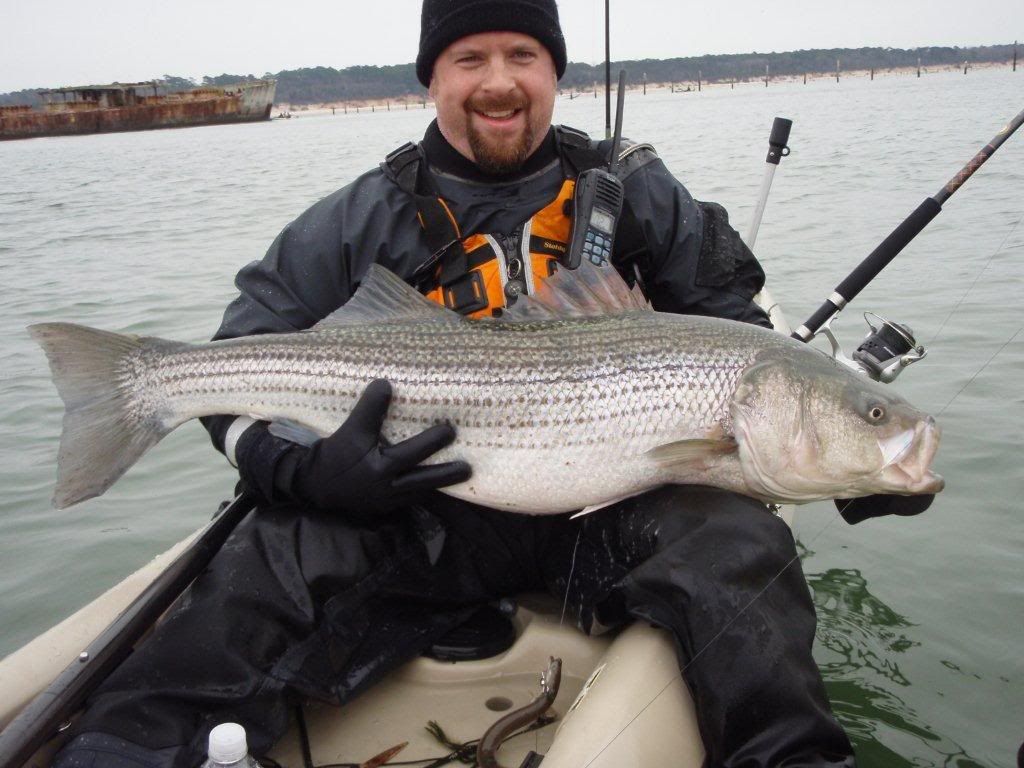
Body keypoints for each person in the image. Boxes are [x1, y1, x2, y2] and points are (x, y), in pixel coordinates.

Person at [53, 1, 862, 766]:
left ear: (554, 72)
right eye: (469, 57)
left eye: (524, 55)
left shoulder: (638, 193)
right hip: (415, 516)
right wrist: (303, 470)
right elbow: (237, 354)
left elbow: (739, 335)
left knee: (742, 546)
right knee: (262, 558)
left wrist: (854, 461)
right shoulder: (356, 218)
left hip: (620, 511)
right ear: (431, 78)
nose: (499, 81)